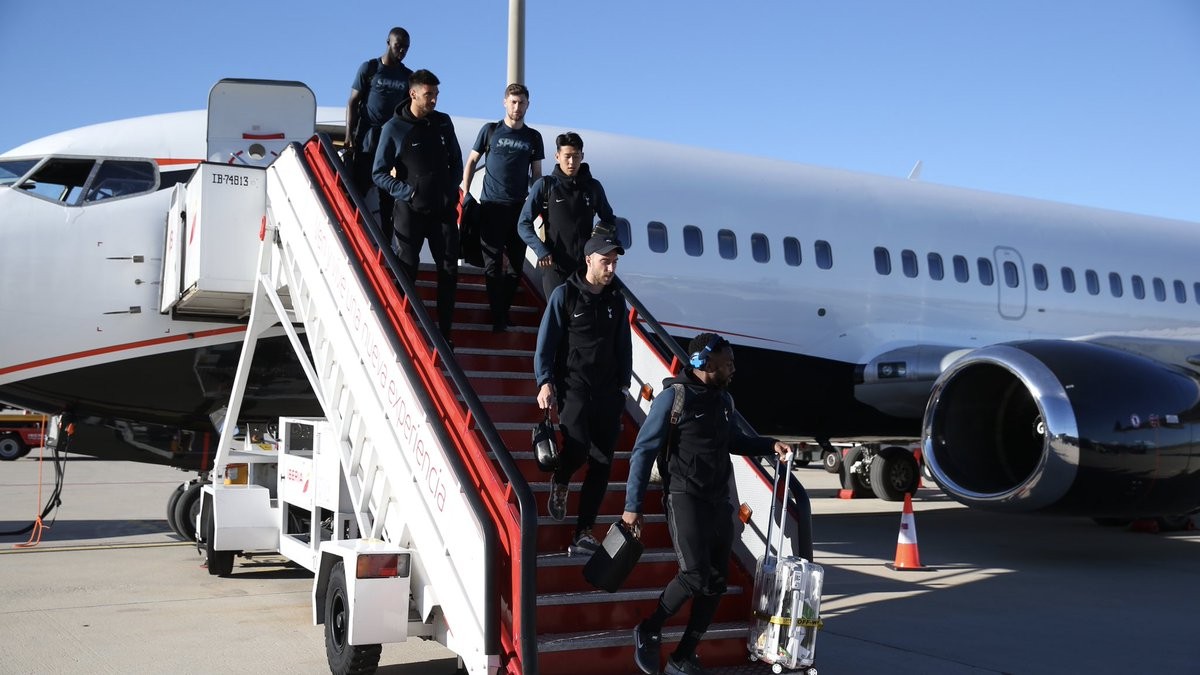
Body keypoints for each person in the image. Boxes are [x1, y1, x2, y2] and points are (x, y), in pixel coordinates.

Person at [623, 333, 793, 675]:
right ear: (706, 363)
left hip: (718, 500)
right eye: (727, 363)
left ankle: (683, 655)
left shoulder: (723, 401)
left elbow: (733, 440)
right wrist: (632, 505)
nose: (733, 369)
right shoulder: (674, 398)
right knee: (695, 574)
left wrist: (769, 444)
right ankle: (650, 626)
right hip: (684, 497)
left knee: (716, 582)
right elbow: (643, 452)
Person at [534, 234, 632, 554]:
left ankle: (583, 531)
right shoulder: (565, 296)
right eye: (606, 261)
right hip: (574, 388)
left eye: (615, 262)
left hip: (607, 393)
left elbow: (623, 346)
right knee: (576, 451)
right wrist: (545, 381)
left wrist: (622, 387)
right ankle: (561, 480)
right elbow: (546, 343)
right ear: (589, 260)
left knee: (602, 464)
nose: (611, 267)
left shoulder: (616, 301)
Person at [373, 69, 463, 343]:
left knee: (449, 269)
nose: (434, 100)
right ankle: (403, 330)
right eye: (429, 95)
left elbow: (456, 162)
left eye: (436, 94)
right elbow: (378, 173)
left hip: (443, 211)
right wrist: (408, 193)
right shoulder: (394, 128)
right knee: (407, 268)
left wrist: (449, 191)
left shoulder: (444, 123)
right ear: (413, 94)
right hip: (410, 211)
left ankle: (444, 333)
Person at [460, 83, 545, 331]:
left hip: (519, 208)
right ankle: (498, 316)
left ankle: (502, 311)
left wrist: (537, 202)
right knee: (493, 264)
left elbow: (537, 174)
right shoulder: (490, 131)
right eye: (513, 102)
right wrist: (466, 194)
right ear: (504, 102)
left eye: (522, 103)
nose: (517, 107)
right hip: (491, 206)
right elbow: (471, 161)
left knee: (516, 267)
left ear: (528, 105)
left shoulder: (533, 137)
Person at [517, 132, 616, 300]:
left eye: (576, 157)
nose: (572, 162)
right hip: (556, 268)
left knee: (582, 321)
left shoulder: (593, 187)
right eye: (567, 156)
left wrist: (601, 244)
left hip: (585, 270)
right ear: (557, 156)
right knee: (559, 320)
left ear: (582, 156)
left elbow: (609, 220)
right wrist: (541, 250)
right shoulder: (545, 186)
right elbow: (523, 224)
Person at [345, 27, 413, 244]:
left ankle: (386, 243)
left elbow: (407, 111)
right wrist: (349, 135)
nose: (402, 51)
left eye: (406, 48)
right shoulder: (370, 68)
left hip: (391, 140)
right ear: (388, 42)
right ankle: (350, 236)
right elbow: (353, 102)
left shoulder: (407, 76)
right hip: (368, 137)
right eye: (398, 46)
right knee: (359, 188)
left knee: (387, 195)